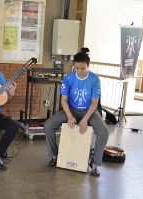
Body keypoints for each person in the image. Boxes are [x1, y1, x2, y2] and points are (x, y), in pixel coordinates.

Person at [43, 48, 109, 176]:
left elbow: (94, 103)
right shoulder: (69, 78)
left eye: (82, 69)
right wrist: (69, 116)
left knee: (104, 131)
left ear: (88, 66)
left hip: (89, 111)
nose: (79, 71)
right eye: (77, 68)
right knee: (48, 125)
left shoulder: (94, 79)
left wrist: (84, 119)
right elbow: (64, 100)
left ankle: (95, 164)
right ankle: (55, 155)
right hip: (71, 109)